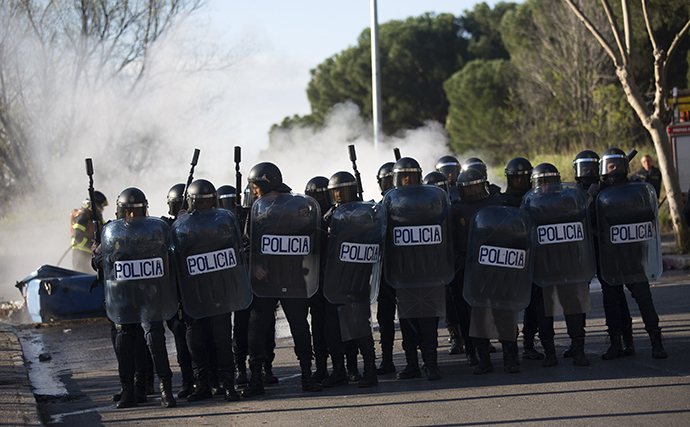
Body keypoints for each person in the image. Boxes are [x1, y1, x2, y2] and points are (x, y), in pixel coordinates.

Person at [242, 162, 322, 397]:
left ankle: (307, 374)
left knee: (299, 326)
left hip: (292, 276)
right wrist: (255, 265)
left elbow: (311, 240)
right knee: (256, 328)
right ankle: (256, 377)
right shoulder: (257, 209)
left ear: (266, 184)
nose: (254, 190)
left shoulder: (298, 207)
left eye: (256, 186)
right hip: (265, 281)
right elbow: (248, 244)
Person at [94, 187, 176, 409]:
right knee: (125, 341)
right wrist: (101, 256)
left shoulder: (153, 231)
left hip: (149, 296)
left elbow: (166, 256)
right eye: (128, 212)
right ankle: (130, 390)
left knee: (155, 339)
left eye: (135, 211)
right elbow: (102, 264)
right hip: (126, 297)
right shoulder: (112, 233)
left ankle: (165, 391)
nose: (132, 216)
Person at [595, 148, 667, 360]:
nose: (614, 169)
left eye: (618, 165)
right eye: (611, 166)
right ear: (603, 169)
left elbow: (648, 217)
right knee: (612, 303)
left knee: (645, 300)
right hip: (610, 259)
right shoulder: (598, 193)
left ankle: (657, 342)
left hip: (634, 257)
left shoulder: (636, 190)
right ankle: (618, 343)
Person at [320, 171, 379, 388]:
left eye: (342, 190)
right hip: (333, 281)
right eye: (334, 190)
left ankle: (370, 371)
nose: (337, 194)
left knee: (359, 328)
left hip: (356, 280)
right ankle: (339, 371)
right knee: (332, 329)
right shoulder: (329, 216)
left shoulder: (365, 213)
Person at [374, 162, 397, 375]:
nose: (389, 184)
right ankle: (387, 359)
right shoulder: (378, 208)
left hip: (406, 269)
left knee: (412, 316)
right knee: (385, 317)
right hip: (385, 272)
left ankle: (420, 360)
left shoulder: (412, 205)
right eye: (386, 180)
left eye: (393, 179)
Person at [71, 191, 108, 273]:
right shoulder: (82, 216)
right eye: (101, 206)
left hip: (91, 256)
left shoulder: (97, 218)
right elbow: (78, 237)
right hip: (81, 255)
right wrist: (92, 244)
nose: (102, 210)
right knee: (83, 279)